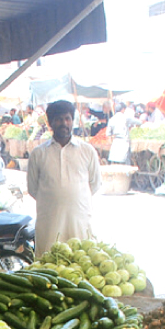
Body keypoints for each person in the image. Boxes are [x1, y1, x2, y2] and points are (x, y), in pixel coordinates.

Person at [27, 100, 102, 258]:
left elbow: (94, 184)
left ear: (72, 121)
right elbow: (33, 188)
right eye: (59, 119)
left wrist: (72, 198)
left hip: (79, 220)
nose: (64, 123)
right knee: (48, 265)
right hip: (50, 222)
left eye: (67, 119)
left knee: (82, 263)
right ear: (51, 123)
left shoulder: (87, 151)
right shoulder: (38, 153)